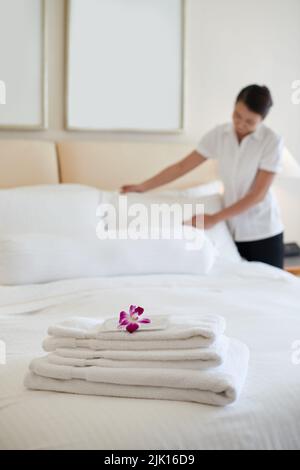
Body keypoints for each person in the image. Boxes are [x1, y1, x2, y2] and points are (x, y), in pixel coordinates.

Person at [121, 85, 284, 269]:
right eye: (237, 115)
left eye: (249, 122)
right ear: (234, 106)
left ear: (262, 120)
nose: (240, 124)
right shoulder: (220, 135)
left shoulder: (271, 141)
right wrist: (143, 187)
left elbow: (258, 194)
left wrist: (214, 218)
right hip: (232, 231)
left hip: (263, 232)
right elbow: (182, 166)